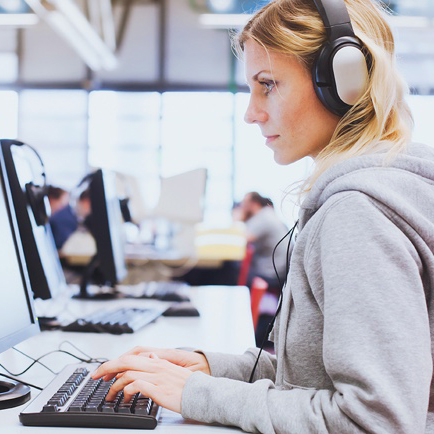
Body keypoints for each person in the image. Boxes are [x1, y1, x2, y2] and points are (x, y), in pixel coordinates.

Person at [91, 0, 434, 432]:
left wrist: (194, 393)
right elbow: (314, 383)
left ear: (344, 82)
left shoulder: (358, 212)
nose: (251, 112)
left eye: (268, 84)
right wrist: (204, 368)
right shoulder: (370, 194)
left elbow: (373, 420)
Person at [237, 191, 288, 287]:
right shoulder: (266, 214)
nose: (241, 205)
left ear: (253, 203)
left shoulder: (263, 217)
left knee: (233, 269)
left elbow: (243, 240)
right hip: (278, 267)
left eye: (244, 202)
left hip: (272, 271)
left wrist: (238, 219)